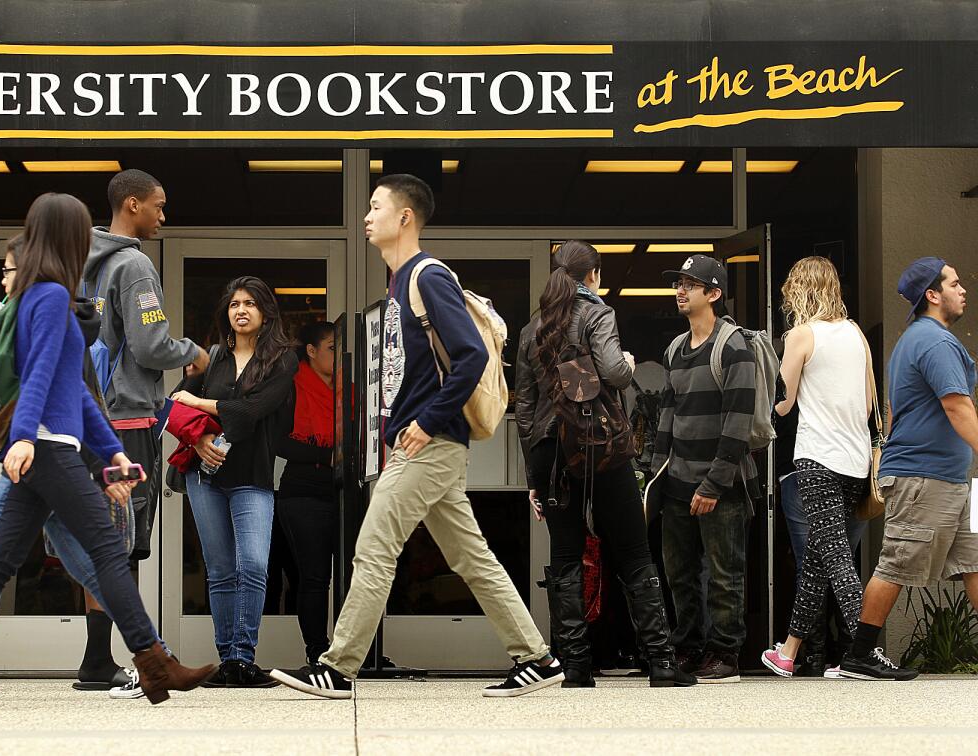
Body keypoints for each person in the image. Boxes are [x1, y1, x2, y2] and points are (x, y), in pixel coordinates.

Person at [271, 173, 562, 699]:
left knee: (374, 549)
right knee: (473, 557)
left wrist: (426, 423)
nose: (366, 216)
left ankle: (338, 667)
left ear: (405, 217)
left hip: (429, 444)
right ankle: (537, 657)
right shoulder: (399, 281)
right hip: (428, 445)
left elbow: (471, 356)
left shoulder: (426, 277)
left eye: (376, 206)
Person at [0, 193, 213, 707]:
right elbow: (36, 377)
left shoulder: (40, 294)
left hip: (45, 446)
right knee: (106, 551)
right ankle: (154, 663)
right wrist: (27, 436)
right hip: (47, 450)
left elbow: (73, 387)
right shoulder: (51, 296)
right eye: (82, 232)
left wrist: (111, 451)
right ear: (68, 237)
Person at [0, 237, 138, 688]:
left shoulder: (43, 314)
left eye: (7, 270)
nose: (2, 280)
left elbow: (52, 387)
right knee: (85, 559)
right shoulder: (43, 316)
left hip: (44, 452)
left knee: (89, 557)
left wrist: (103, 460)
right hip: (40, 454)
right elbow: (61, 392)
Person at [517, 240, 697, 689]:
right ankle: (661, 662)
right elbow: (616, 374)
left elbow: (524, 406)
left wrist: (534, 476)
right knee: (633, 549)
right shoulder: (598, 314)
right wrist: (631, 361)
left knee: (565, 556)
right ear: (591, 275)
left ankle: (576, 666)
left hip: (551, 452)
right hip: (600, 447)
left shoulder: (531, 329)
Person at [77, 168, 209, 688]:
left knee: (97, 539)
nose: (162, 215)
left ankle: (99, 657)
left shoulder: (79, 260)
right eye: (157, 205)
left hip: (88, 416)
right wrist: (193, 353)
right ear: (131, 205)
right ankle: (112, 661)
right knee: (123, 540)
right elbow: (151, 345)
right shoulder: (133, 265)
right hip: (128, 417)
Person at [840, 258, 977, 681]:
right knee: (897, 562)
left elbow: (895, 412)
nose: (963, 290)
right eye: (954, 283)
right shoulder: (935, 343)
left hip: (949, 478)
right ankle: (859, 655)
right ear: (932, 295)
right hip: (925, 477)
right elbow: (957, 405)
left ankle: (859, 654)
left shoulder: (915, 342)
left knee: (974, 563)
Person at [171, 276, 298, 687]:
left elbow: (250, 412)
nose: (240, 310)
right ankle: (228, 660)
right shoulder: (212, 357)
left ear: (265, 313)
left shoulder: (282, 360)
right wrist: (201, 433)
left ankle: (245, 656)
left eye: (249, 304)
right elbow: (175, 407)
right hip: (205, 476)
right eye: (233, 304)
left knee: (254, 566)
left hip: (252, 474)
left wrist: (201, 402)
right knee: (221, 570)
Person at [762, 257, 872, 678]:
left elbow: (783, 402)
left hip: (817, 461)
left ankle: (862, 652)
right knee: (818, 561)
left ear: (798, 291)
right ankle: (788, 653)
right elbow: (866, 406)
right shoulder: (855, 333)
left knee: (837, 561)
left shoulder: (800, 335)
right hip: (855, 462)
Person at [651, 254, 757, 684]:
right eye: (679, 283)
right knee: (679, 574)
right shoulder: (675, 349)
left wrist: (713, 483)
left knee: (724, 573)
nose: (680, 290)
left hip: (722, 485)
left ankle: (725, 655)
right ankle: (689, 648)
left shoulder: (734, 346)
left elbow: (738, 423)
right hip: (677, 482)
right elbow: (666, 418)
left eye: (690, 285)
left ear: (713, 294)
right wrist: (656, 478)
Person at [275, 320, 338, 666]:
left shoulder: (351, 388)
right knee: (315, 576)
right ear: (311, 352)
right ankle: (317, 653)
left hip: (344, 492)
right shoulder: (293, 386)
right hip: (303, 492)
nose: (338, 356)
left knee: (356, 575)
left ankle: (355, 652)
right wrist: (325, 455)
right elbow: (279, 441)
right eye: (331, 348)